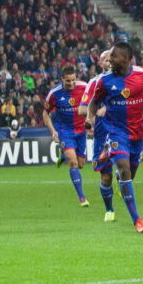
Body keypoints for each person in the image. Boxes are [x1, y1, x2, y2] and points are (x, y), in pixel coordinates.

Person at [88, 42, 143, 233]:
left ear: (127, 59)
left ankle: (112, 159)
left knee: (130, 174)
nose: (109, 60)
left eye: (113, 56)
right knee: (124, 170)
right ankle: (137, 220)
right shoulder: (104, 80)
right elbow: (93, 102)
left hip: (137, 133)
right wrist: (89, 119)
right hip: (116, 132)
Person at [78, 49, 118, 222]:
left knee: (129, 169)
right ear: (101, 63)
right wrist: (96, 112)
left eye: (112, 59)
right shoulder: (94, 83)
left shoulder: (125, 79)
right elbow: (81, 109)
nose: (109, 63)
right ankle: (109, 210)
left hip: (122, 129)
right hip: (102, 134)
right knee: (105, 175)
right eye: (106, 60)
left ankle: (122, 177)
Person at [43, 65, 89, 207]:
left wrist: (91, 121)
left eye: (73, 80)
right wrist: (53, 131)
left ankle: (62, 155)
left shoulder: (84, 87)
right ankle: (82, 198)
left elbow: (93, 103)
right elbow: (45, 113)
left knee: (81, 164)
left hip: (81, 131)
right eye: (68, 81)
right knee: (73, 162)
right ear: (62, 79)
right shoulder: (54, 93)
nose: (71, 83)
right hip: (64, 131)